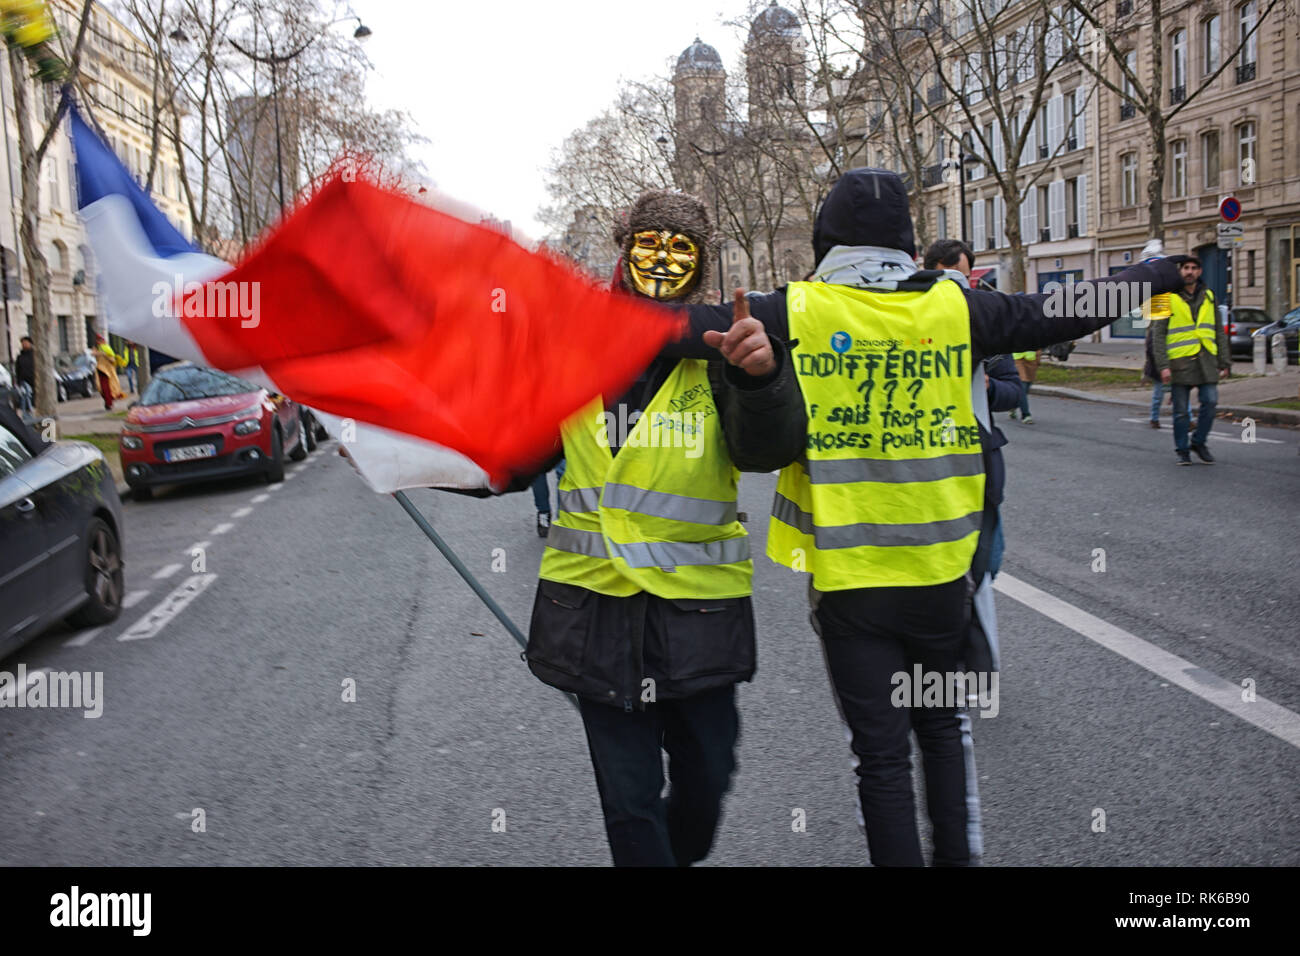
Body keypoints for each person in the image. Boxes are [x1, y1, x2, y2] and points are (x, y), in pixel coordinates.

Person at [665, 167, 1187, 866]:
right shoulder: (962, 309)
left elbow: (668, 328)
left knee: (879, 760)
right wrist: (1156, 271)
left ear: (827, 241)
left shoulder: (792, 310)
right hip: (944, 578)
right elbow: (1071, 307)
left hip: (851, 584)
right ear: (909, 242)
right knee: (942, 731)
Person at [516, 191, 804, 866]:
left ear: (700, 264)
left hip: (696, 617)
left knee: (706, 782)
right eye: (649, 243)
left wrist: (761, 380)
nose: (663, 259)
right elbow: (515, 453)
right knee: (630, 803)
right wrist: (412, 457)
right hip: (591, 614)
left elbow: (768, 450)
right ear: (625, 250)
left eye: (681, 248)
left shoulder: (722, 343)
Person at [1151, 255, 1230, 465]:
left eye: (1194, 268)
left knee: (1211, 402)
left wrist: (1225, 361)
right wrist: (1162, 366)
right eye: (1186, 268)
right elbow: (1156, 335)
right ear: (1180, 271)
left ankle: (1199, 441)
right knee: (1180, 413)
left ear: (1200, 272)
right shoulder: (1162, 297)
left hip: (1206, 360)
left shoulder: (1210, 296)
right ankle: (1182, 450)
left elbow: (1218, 332)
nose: (1190, 272)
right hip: (1179, 362)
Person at [1142, 321, 1169, 428]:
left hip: (1174, 366)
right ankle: (1154, 418)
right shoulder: (1155, 330)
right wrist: (1161, 366)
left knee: (1180, 394)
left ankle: (1188, 419)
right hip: (1159, 368)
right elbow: (1151, 350)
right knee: (1158, 396)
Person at [93, 335, 125, 411]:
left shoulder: (106, 348)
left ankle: (109, 403)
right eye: (97, 340)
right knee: (102, 388)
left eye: (99, 340)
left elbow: (112, 358)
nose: (98, 342)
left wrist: (102, 354)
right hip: (100, 370)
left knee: (107, 388)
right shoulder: (99, 348)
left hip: (107, 371)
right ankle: (108, 402)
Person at [1010, 349, 1039, 423]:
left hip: (1032, 356)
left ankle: (1013, 405)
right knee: (1023, 385)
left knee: (1027, 385)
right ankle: (1026, 415)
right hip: (1017, 357)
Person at [14, 335, 35, 412]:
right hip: (24, 381)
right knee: (25, 396)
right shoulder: (20, 357)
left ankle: (29, 410)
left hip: (33, 380)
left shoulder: (34, 355)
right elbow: (18, 370)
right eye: (23, 343)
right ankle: (26, 411)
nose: (24, 344)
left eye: (26, 343)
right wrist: (18, 382)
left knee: (28, 397)